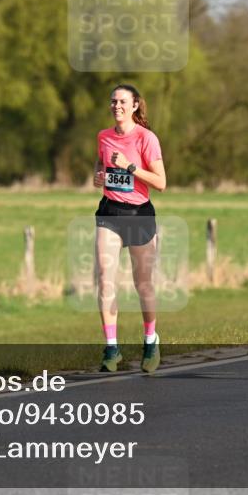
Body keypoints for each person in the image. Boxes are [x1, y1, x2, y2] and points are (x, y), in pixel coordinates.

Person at [92, 84, 166, 373]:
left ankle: (150, 340)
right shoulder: (103, 136)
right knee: (105, 280)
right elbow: (101, 165)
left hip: (139, 214)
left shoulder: (147, 138)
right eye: (113, 101)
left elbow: (161, 183)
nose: (116, 106)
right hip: (109, 212)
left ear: (135, 105)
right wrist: (99, 176)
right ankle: (111, 348)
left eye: (122, 101)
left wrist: (130, 167)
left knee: (143, 283)